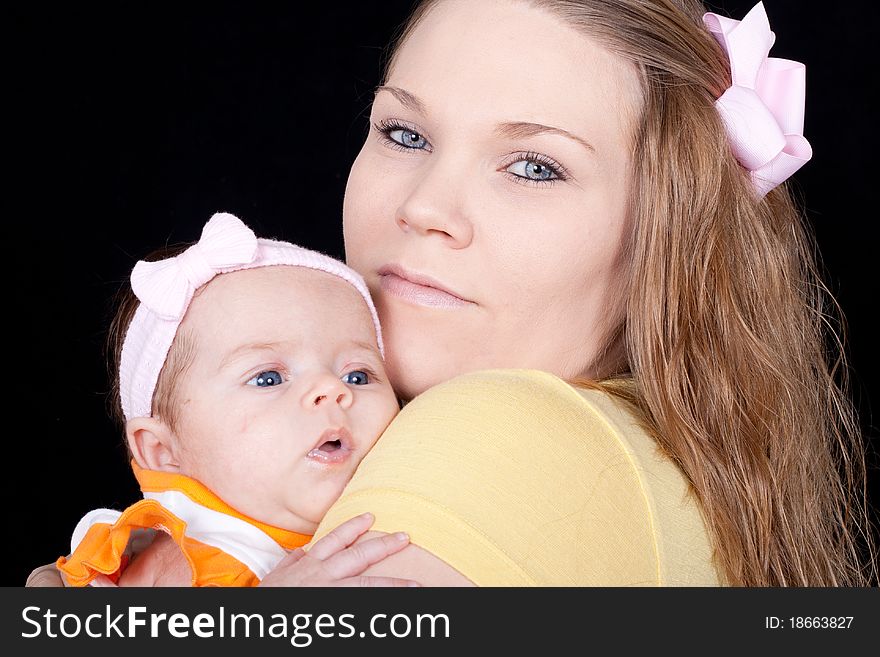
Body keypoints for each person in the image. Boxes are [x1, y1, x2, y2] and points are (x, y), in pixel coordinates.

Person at [30, 0, 876, 587]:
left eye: (535, 166)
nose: (424, 206)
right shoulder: (656, 458)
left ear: (666, 239)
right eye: (405, 132)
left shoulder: (489, 434)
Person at [54, 212, 416, 587]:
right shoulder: (186, 560)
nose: (331, 388)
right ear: (163, 450)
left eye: (358, 376)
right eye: (268, 378)